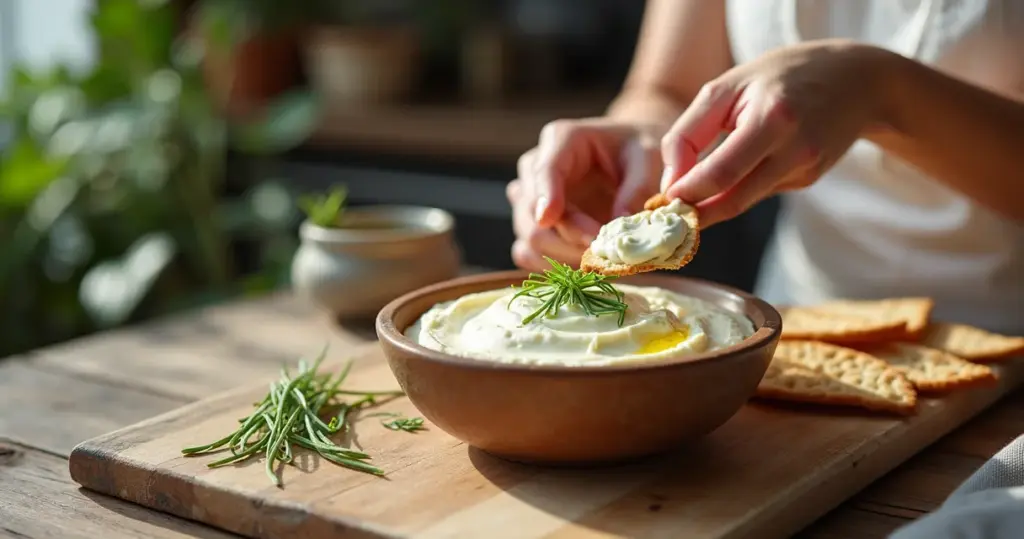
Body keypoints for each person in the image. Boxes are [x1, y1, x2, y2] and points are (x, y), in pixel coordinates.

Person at [506, 0, 1024, 336]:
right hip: (803, 318)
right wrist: (637, 134)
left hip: (1009, 356)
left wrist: (883, 92)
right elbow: (668, 88)